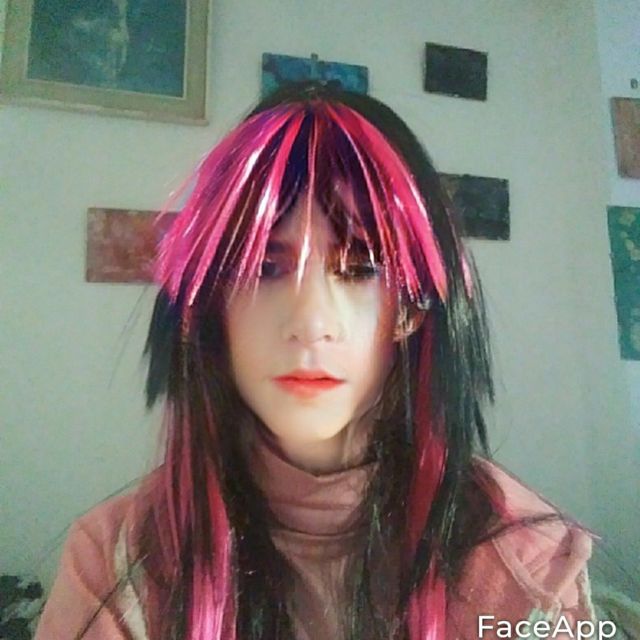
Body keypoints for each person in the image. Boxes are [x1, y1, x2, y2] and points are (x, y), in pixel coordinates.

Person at [34, 82, 597, 640]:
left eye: (359, 268)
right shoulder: (114, 563)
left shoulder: (530, 567)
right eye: (265, 268)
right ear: (210, 305)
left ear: (412, 307)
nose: (309, 322)